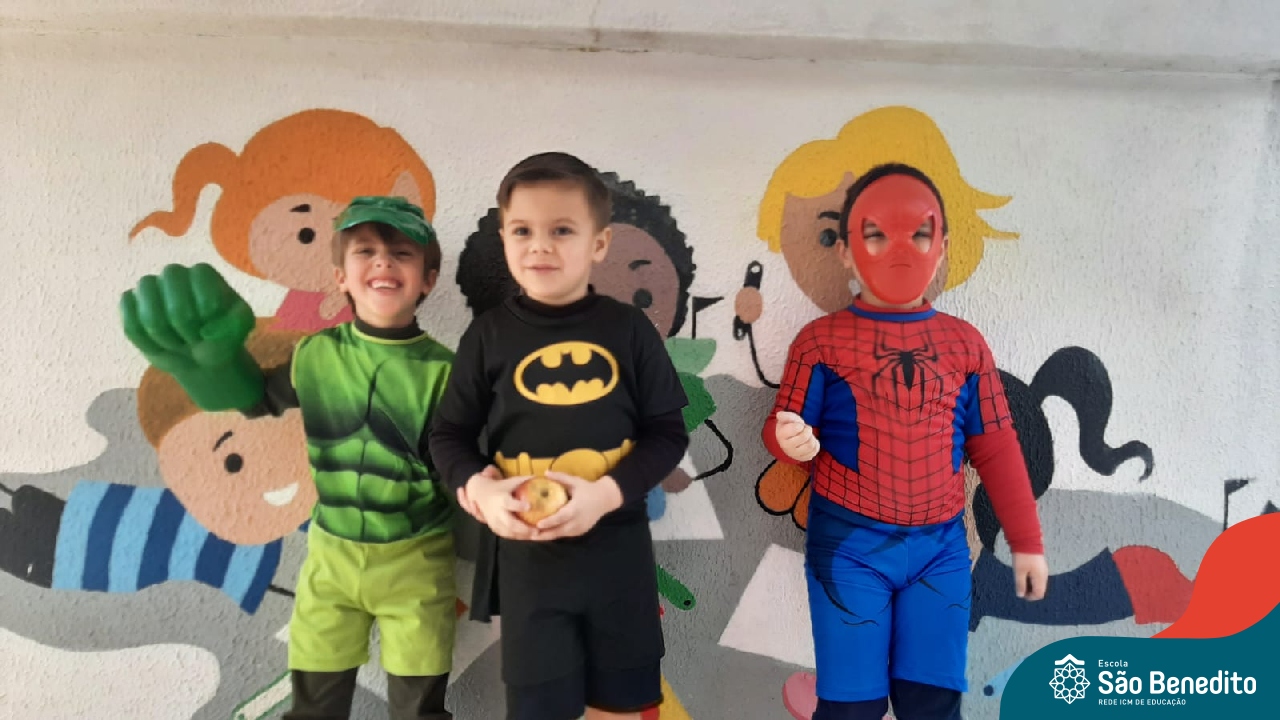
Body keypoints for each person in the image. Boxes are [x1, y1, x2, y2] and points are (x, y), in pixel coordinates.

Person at [119, 196, 458, 720]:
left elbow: (466, 462)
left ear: (428, 279)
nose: (383, 262)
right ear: (340, 277)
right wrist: (210, 367)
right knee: (313, 708)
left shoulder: (448, 371)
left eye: (402, 253)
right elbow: (253, 399)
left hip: (417, 560)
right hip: (331, 561)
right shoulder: (314, 355)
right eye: (365, 251)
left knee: (419, 711)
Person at [762, 163, 1049, 720]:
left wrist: (1027, 542)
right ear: (846, 251)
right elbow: (783, 425)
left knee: (932, 705)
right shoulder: (820, 342)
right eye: (875, 234)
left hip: (941, 552)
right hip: (848, 550)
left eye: (919, 233)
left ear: (941, 248)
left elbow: (995, 447)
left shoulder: (965, 345)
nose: (899, 250)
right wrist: (787, 439)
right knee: (851, 708)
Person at [428, 151, 689, 720]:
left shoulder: (628, 330)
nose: (540, 246)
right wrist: (479, 490)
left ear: (599, 243)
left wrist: (605, 495)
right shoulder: (488, 336)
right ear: (504, 238)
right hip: (530, 567)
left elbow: (668, 434)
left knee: (621, 709)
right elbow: (447, 435)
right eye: (523, 230)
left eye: (562, 230)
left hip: (618, 558)